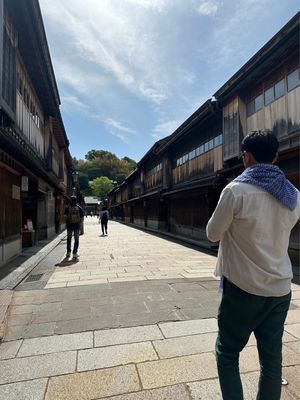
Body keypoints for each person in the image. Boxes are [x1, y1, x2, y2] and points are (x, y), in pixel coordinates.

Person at [206, 131, 299, 400]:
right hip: (281, 290)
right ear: (276, 156)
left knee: (227, 352)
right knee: (271, 359)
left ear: (246, 157)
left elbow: (213, 233)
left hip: (242, 289)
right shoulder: (293, 195)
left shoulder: (236, 190)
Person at [64, 195, 84, 260]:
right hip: (77, 225)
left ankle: (68, 252)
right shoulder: (79, 208)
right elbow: (82, 218)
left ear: (70, 200)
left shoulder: (67, 207)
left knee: (69, 239)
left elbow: (65, 217)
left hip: (69, 225)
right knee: (76, 239)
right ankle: (75, 253)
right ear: (76, 200)